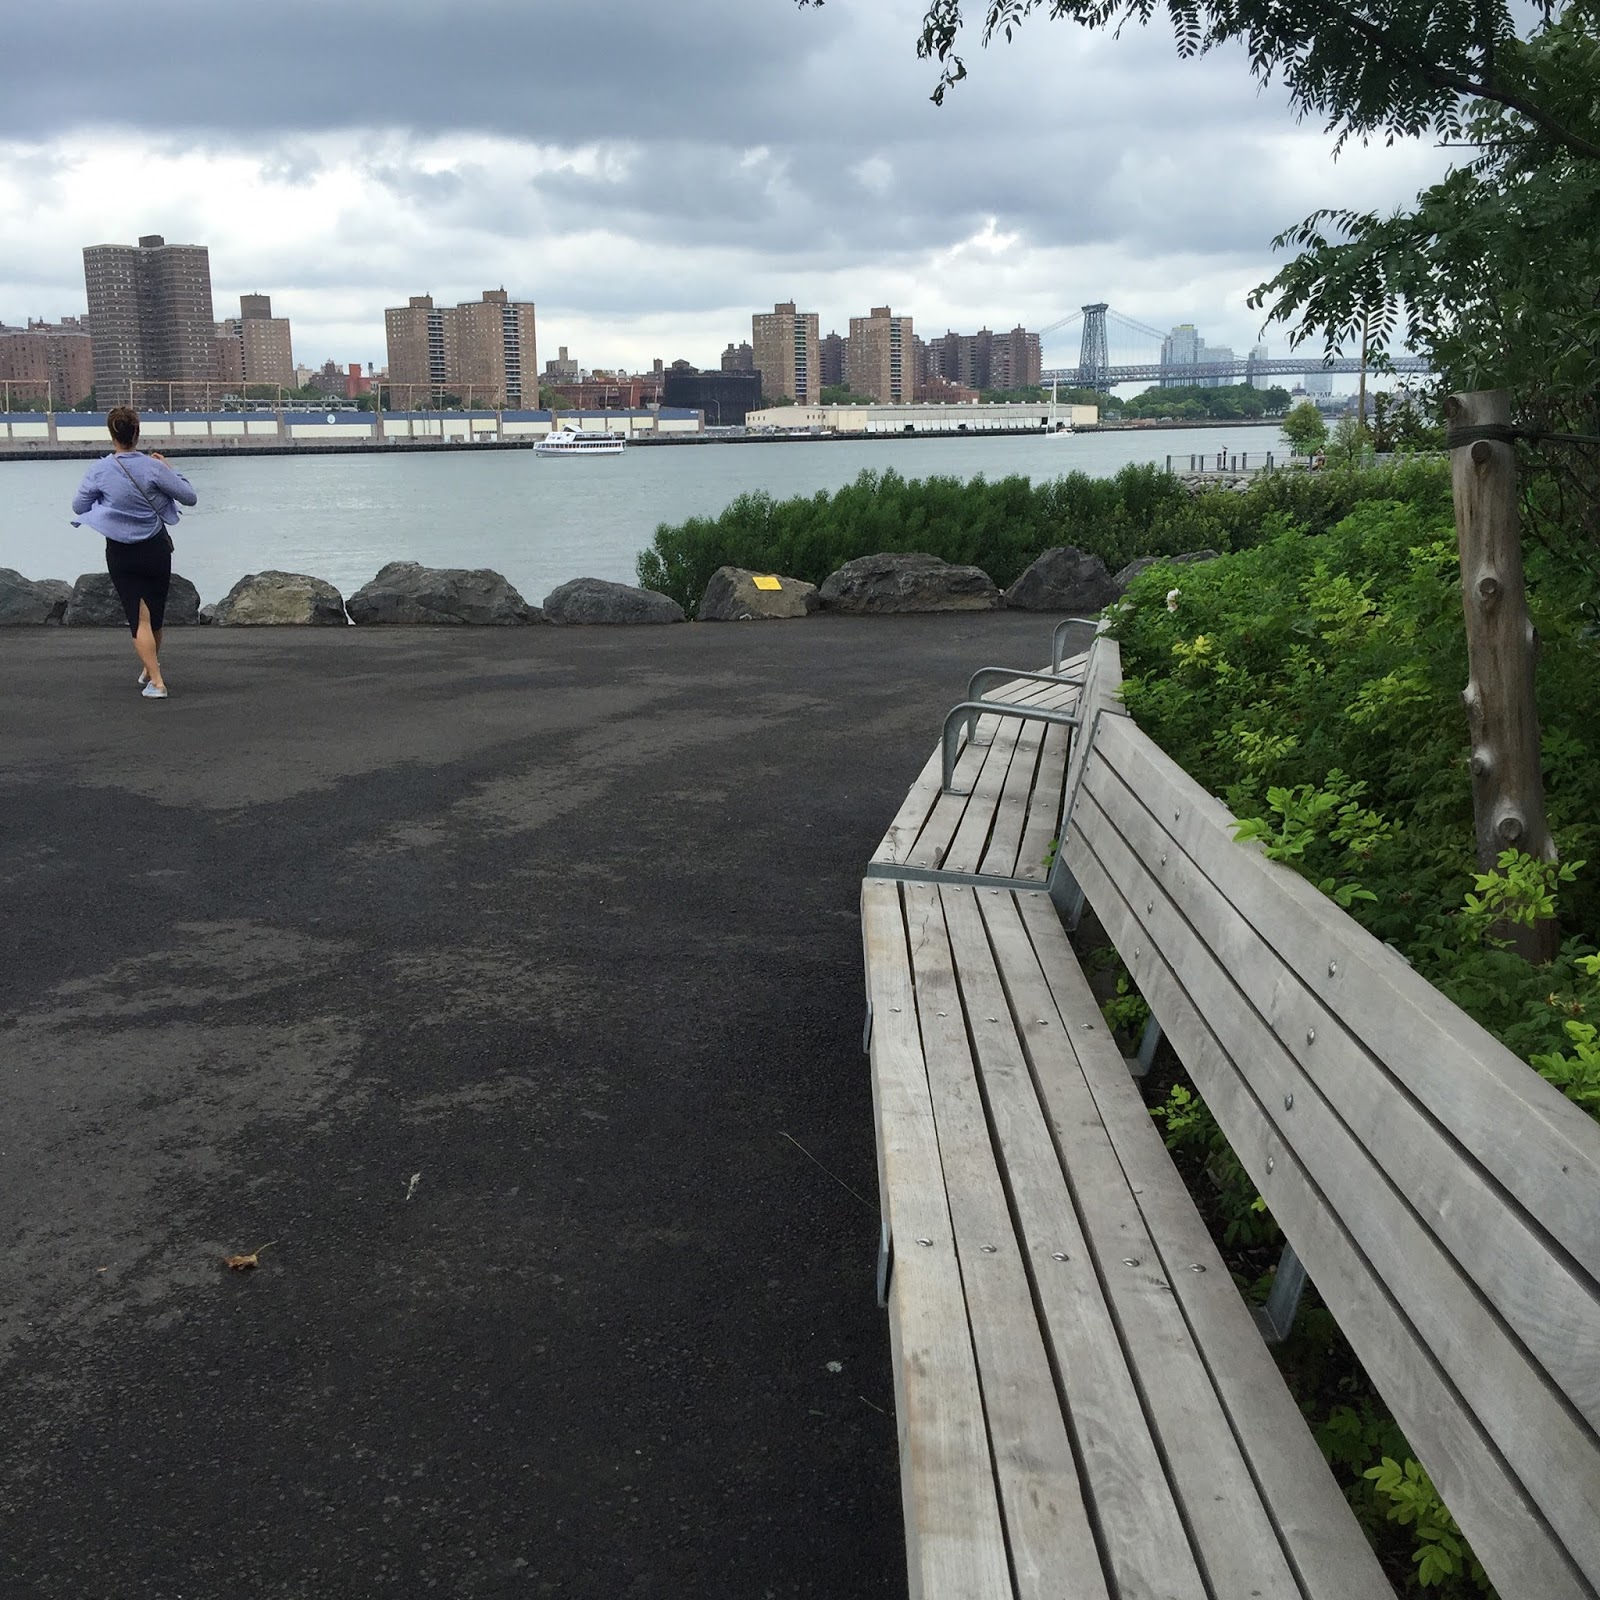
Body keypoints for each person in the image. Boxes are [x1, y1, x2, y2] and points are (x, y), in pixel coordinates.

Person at [70, 407, 198, 699]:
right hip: (155, 548)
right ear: (137, 434)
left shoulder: (100, 470)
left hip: (121, 552)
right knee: (154, 616)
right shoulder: (153, 468)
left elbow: (79, 506)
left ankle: (158, 682)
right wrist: (170, 468)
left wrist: (108, 505)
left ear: (112, 435)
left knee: (138, 619)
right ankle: (148, 668)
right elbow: (189, 497)